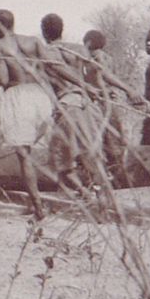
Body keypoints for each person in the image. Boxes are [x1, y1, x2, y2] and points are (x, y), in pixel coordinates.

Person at [0, 8, 65, 220]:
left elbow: (2, 79)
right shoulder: (34, 41)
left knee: (24, 155)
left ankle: (37, 206)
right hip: (40, 95)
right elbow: (54, 67)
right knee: (50, 146)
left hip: (18, 95)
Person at [39, 13, 109, 211]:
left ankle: (88, 195)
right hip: (89, 106)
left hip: (70, 105)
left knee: (60, 162)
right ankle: (100, 196)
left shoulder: (47, 51)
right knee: (91, 154)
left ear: (44, 32)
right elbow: (97, 73)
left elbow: (59, 69)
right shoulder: (79, 50)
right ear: (62, 29)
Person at [82, 28, 141, 183]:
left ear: (88, 43)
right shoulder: (103, 58)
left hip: (103, 103)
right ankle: (115, 175)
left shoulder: (97, 58)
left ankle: (115, 176)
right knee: (111, 139)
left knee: (109, 139)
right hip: (105, 101)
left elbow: (106, 76)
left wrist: (126, 89)